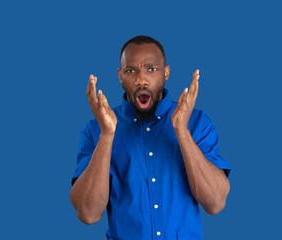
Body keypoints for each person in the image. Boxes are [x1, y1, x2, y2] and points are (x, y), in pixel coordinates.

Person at [70, 35, 232, 240]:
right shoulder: (96, 130)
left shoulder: (197, 122)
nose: (141, 79)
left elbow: (216, 203)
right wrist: (106, 135)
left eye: (151, 69)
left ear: (166, 73)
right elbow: (88, 214)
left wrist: (181, 130)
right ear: (120, 76)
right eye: (131, 71)